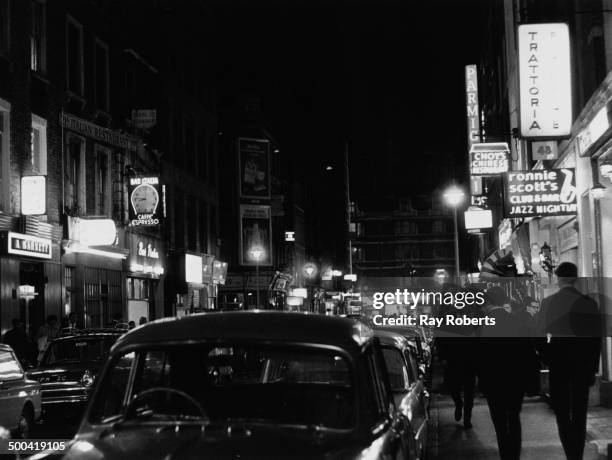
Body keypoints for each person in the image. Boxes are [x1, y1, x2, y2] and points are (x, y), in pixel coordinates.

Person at [538, 262, 600, 460]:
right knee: (580, 413)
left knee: (562, 413)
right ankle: (578, 455)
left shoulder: (549, 304)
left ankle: (569, 452)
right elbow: (595, 340)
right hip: (582, 365)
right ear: (576, 279)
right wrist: (592, 368)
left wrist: (547, 355)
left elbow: (537, 335)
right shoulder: (588, 303)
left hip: (559, 364)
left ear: (558, 279)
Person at [478, 286, 533, 460]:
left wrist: (482, 381)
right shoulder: (516, 321)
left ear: (488, 302)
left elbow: (480, 358)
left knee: (500, 422)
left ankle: (505, 454)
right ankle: (514, 454)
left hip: (494, 382)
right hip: (515, 380)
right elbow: (526, 352)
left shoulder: (483, 327)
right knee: (514, 418)